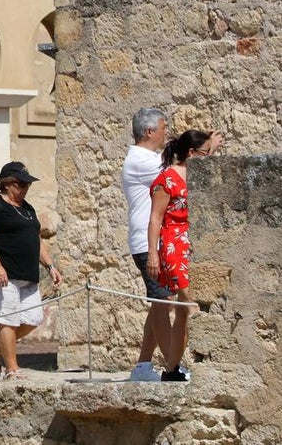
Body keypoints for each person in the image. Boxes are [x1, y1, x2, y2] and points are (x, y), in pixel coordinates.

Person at [146, 128, 222, 382]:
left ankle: (171, 369)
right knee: (190, 305)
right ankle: (211, 364)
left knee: (180, 311)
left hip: (191, 244)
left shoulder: (198, 176)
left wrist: (212, 145)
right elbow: (155, 219)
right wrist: (153, 255)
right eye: (205, 153)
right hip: (172, 245)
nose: (208, 157)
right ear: (191, 153)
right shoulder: (166, 179)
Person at [0, 161, 62, 381]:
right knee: (9, 318)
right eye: (21, 184)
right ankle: (12, 370)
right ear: (7, 184)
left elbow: (36, 239)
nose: (25, 189)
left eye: (27, 185)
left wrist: (50, 266)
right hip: (3, 273)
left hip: (26, 273)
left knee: (33, 318)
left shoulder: (27, 209)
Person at [121, 107, 177, 382]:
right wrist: (204, 150)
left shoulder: (149, 157)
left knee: (160, 303)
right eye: (164, 127)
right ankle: (172, 367)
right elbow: (176, 173)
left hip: (152, 242)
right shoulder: (141, 160)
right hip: (147, 243)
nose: (167, 132)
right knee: (162, 301)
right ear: (149, 132)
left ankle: (143, 365)